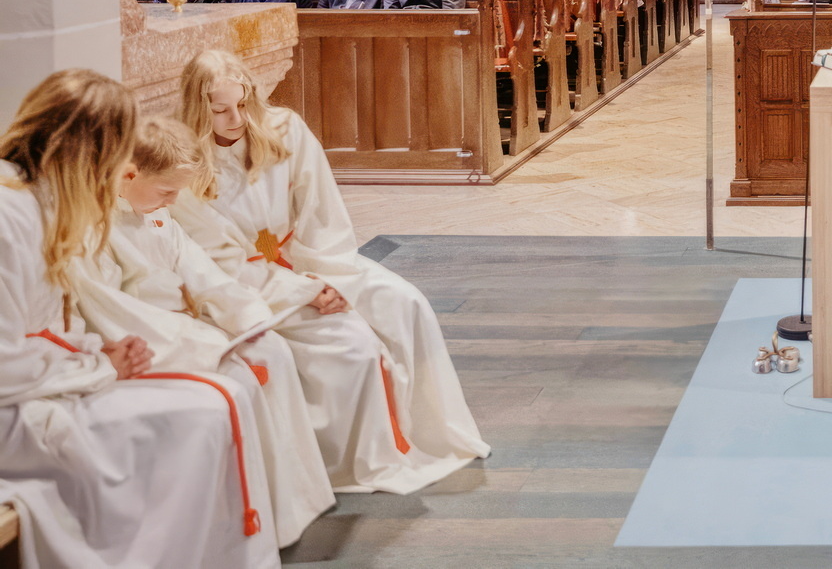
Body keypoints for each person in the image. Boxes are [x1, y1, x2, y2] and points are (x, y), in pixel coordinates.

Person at [0, 69, 283, 569]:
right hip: (16, 412)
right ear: (90, 150)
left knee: (220, 400)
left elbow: (48, 326)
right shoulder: (11, 214)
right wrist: (100, 365)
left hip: (44, 383)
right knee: (203, 413)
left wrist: (95, 352)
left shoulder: (41, 199)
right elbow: (7, 362)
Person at [173, 50, 491, 491]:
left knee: (406, 304)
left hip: (311, 257)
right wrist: (303, 291)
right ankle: (364, 459)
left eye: (243, 104)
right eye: (220, 110)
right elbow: (222, 259)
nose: (237, 119)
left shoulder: (284, 128)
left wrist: (328, 276)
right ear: (197, 107)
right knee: (353, 346)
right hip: (251, 284)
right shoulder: (185, 161)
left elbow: (321, 210)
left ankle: (435, 436)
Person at [70, 113, 337, 547]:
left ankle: (288, 504)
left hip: (184, 328)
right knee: (242, 379)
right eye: (166, 191)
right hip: (152, 343)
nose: (173, 201)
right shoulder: (96, 228)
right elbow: (112, 311)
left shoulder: (155, 213)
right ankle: (241, 520)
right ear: (129, 174)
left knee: (271, 349)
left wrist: (247, 317)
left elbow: (203, 274)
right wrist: (204, 341)